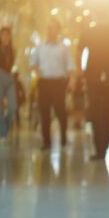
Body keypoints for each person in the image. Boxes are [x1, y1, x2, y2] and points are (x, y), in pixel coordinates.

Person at [78, 7, 109, 160]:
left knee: (96, 112)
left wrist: (81, 72)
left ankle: (101, 148)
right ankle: (103, 147)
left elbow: (78, 51)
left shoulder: (90, 31)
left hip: (94, 75)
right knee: (108, 112)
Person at [30, 19, 76, 150]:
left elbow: (71, 66)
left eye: (54, 28)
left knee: (60, 111)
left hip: (59, 83)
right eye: (49, 28)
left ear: (58, 30)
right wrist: (37, 71)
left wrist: (72, 81)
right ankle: (46, 141)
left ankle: (63, 138)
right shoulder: (40, 47)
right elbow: (32, 64)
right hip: (44, 82)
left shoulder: (64, 48)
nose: (51, 31)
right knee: (44, 113)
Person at [0, 27, 17, 142]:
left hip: (9, 76)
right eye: (3, 35)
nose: (5, 37)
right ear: (0, 37)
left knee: (13, 106)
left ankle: (5, 126)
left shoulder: (13, 49)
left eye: (7, 35)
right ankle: (2, 134)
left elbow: (12, 64)